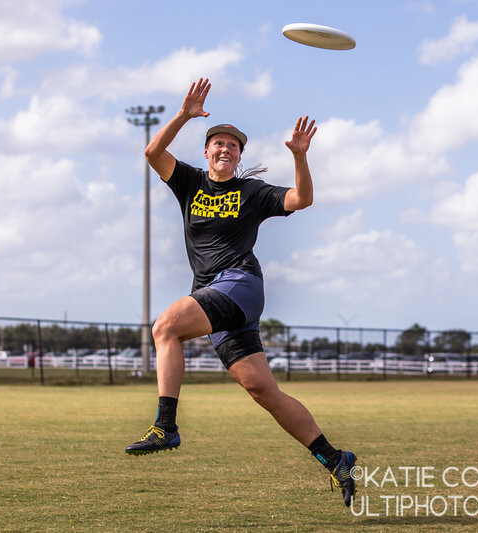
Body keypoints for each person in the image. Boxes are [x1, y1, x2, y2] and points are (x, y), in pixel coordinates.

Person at [124, 78, 356, 506]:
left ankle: (165, 425)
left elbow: (301, 199)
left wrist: (300, 156)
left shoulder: (251, 192)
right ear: (207, 152)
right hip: (213, 296)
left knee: (165, 327)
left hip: (241, 284)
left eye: (233, 146)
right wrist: (184, 114)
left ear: (239, 156)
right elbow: (153, 153)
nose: (226, 149)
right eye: (219, 143)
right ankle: (335, 458)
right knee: (262, 391)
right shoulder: (190, 182)